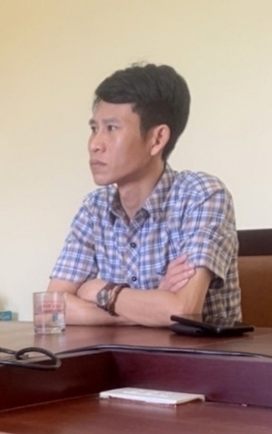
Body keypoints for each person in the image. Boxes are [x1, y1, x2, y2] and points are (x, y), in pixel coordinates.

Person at [47, 63, 240, 327]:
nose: (95, 144)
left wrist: (101, 291)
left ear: (157, 139)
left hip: (200, 354)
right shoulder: (94, 207)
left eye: (111, 128)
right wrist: (145, 310)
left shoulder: (202, 195)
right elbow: (51, 308)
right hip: (121, 352)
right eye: (94, 129)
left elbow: (182, 310)